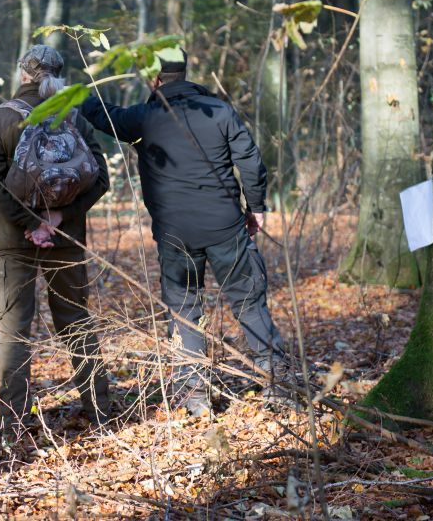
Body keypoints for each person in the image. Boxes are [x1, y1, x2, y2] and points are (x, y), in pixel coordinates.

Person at [80, 49, 288, 416]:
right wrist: (255, 207)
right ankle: (277, 382)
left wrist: (75, 94)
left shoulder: (144, 118)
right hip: (225, 226)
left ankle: (194, 396)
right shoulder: (219, 111)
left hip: (175, 234)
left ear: (155, 79)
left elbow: (103, 115)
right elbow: (251, 162)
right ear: (185, 73)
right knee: (247, 301)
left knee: (185, 310)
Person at [0, 45, 111, 433]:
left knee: (13, 328)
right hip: (65, 238)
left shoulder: (1, 117)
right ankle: (101, 411)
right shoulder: (74, 118)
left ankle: (12, 422)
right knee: (76, 321)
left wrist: (27, 223)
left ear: (22, 74)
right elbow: (101, 179)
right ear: (59, 77)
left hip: (11, 239)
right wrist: (57, 219)